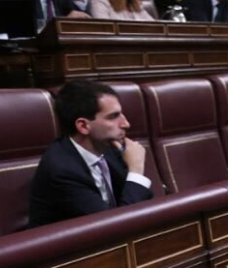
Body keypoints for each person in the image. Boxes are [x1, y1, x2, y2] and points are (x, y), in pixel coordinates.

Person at [27, 80, 152, 228]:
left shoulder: (109, 147)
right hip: (67, 248)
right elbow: (114, 226)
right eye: (113, 116)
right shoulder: (61, 171)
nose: (126, 124)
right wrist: (136, 170)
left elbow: (144, 200)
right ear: (84, 126)